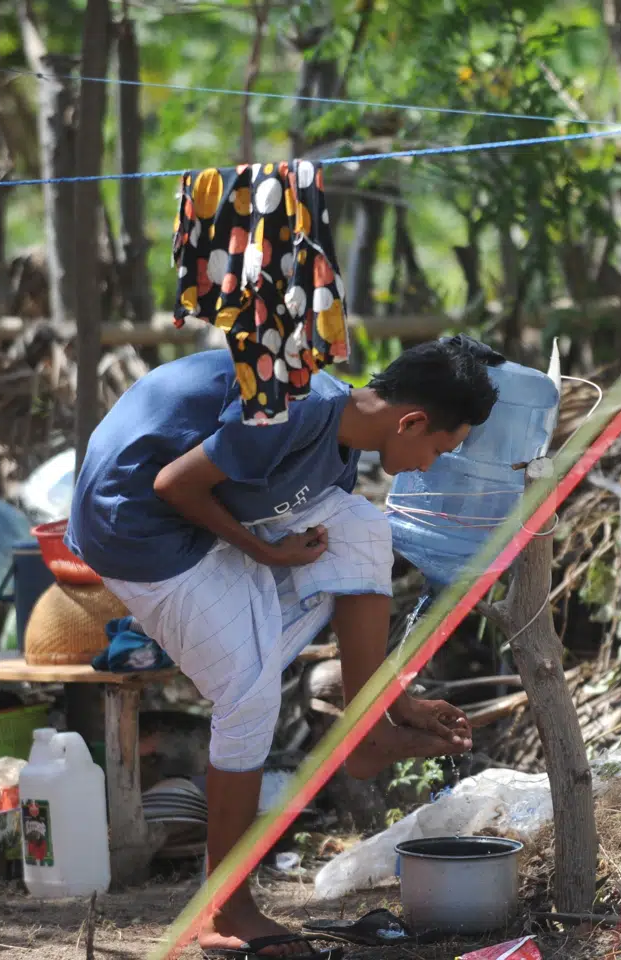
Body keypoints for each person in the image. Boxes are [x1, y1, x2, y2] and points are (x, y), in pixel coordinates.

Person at [67, 338, 500, 958]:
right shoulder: (290, 410)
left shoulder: (340, 450)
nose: (430, 465)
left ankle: (370, 723)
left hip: (196, 522)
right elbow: (173, 484)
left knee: (361, 527)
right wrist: (265, 552)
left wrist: (399, 700)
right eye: (438, 449)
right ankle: (226, 908)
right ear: (411, 421)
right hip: (134, 525)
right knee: (249, 697)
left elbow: (321, 528)